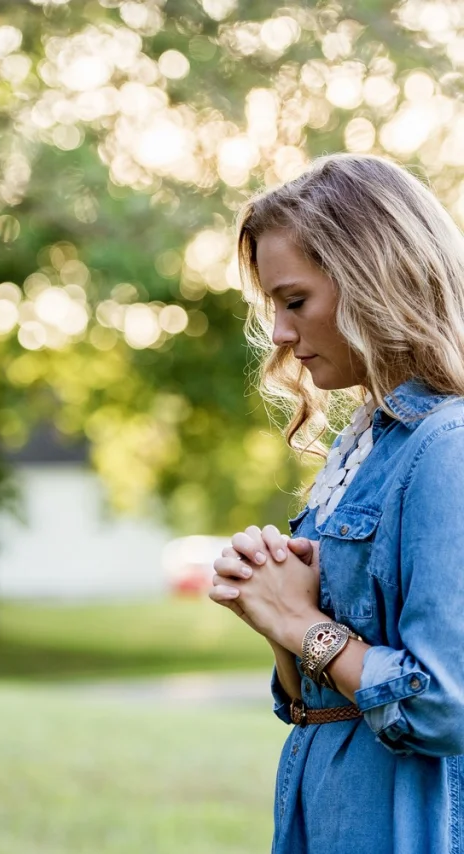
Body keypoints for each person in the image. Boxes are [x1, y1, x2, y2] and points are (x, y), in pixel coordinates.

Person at [209, 153, 464, 854]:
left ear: (377, 278)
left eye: (295, 302)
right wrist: (267, 603)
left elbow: (444, 705)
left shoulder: (445, 446)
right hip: (325, 812)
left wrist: (298, 621)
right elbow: (307, 705)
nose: (281, 337)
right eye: (273, 308)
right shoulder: (366, 449)